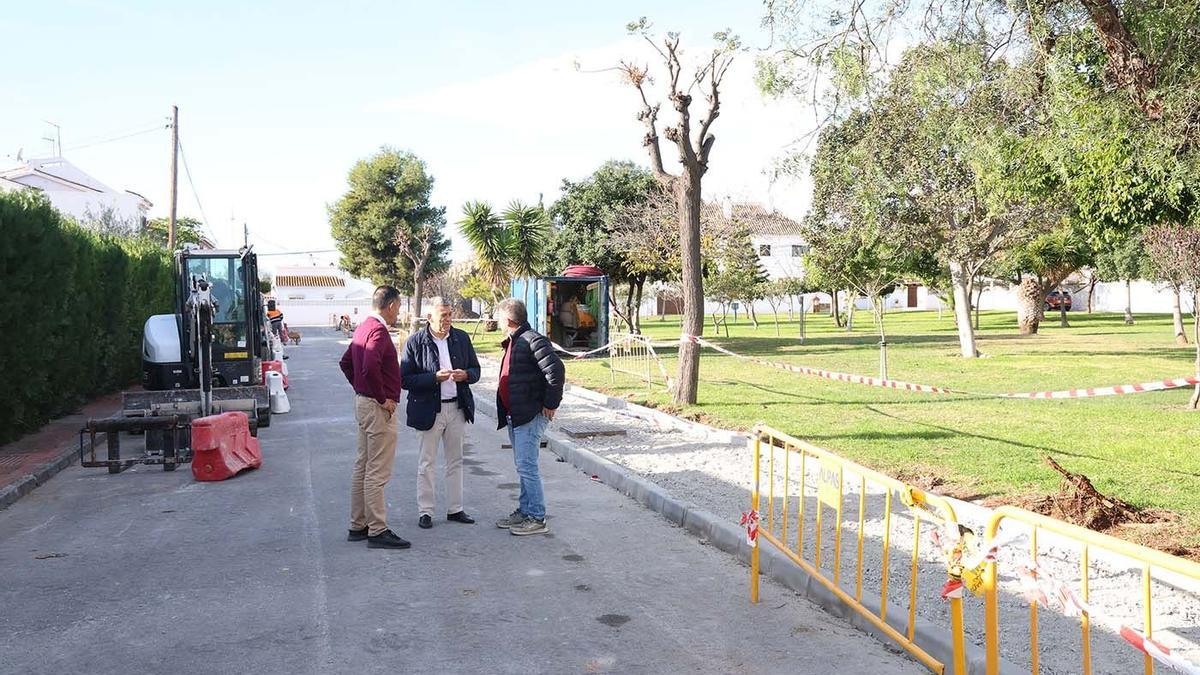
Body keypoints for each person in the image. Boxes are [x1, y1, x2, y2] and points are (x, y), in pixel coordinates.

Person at [338, 285, 410, 550]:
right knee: (377, 471)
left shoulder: (363, 327)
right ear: (391, 305)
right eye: (399, 307)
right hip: (377, 408)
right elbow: (368, 367)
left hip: (363, 403)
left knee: (363, 465)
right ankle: (377, 530)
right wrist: (381, 398)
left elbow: (347, 363)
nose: (399, 312)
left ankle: (358, 524)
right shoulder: (378, 331)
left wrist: (362, 390)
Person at [400, 300, 481, 529]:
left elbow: (476, 370)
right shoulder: (415, 342)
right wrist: (433, 378)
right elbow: (405, 379)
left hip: (456, 408)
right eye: (442, 316)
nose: (447, 320)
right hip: (429, 410)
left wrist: (466, 375)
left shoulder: (461, 338)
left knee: (455, 461)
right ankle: (425, 511)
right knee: (427, 462)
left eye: (449, 315)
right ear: (429, 317)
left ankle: (455, 509)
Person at [493, 298, 565, 536]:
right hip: (517, 414)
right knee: (523, 466)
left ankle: (536, 516)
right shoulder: (516, 340)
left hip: (530, 414)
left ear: (508, 319)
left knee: (527, 466)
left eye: (499, 317)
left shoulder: (532, 340)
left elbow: (556, 370)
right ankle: (525, 511)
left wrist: (551, 403)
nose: (497, 321)